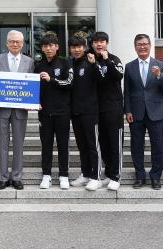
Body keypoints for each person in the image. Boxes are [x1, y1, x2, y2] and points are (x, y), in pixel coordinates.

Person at [124, 34, 163, 190]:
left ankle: (155, 177)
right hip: (136, 113)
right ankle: (140, 176)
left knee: (157, 146)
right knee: (137, 146)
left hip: (156, 112)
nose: (142, 47)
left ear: (150, 45)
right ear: (135, 47)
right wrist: (128, 110)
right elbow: (127, 91)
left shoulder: (160, 65)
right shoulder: (129, 66)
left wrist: (158, 76)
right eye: (139, 44)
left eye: (145, 44)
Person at [0, 30, 35, 190]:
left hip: (20, 110)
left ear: (22, 44)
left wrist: (31, 101)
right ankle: (3, 178)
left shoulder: (29, 61)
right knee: (2, 144)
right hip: (2, 109)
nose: (15, 44)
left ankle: (16, 177)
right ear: (7, 43)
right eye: (12, 41)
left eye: (18, 42)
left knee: (18, 144)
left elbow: (30, 85)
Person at [34, 33, 73, 190]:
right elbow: (33, 88)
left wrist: (52, 79)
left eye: (51, 45)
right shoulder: (39, 65)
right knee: (46, 145)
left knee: (63, 145)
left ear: (57, 46)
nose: (48, 48)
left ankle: (64, 175)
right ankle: (46, 176)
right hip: (44, 113)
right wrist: (34, 103)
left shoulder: (65, 63)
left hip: (63, 112)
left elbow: (70, 83)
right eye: (45, 46)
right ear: (42, 48)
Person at [88, 31, 124, 191]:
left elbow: (118, 76)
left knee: (115, 143)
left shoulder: (114, 59)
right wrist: (94, 63)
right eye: (96, 42)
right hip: (97, 109)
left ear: (107, 43)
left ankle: (116, 176)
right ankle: (108, 173)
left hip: (113, 109)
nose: (99, 44)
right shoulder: (90, 60)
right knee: (103, 143)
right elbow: (96, 80)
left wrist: (106, 59)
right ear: (92, 44)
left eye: (102, 41)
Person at [68, 34, 103, 191]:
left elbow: (101, 79)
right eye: (73, 47)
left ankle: (96, 177)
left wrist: (94, 64)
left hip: (90, 111)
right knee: (82, 145)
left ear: (84, 47)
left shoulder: (90, 61)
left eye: (79, 46)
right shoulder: (71, 64)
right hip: (75, 112)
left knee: (92, 145)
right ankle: (86, 173)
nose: (76, 50)